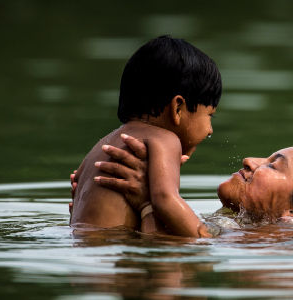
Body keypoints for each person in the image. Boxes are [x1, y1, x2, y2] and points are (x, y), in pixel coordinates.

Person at [69, 35, 222, 238]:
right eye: (209, 115)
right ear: (177, 108)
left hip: (83, 252)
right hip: (117, 255)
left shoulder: (102, 145)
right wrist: (203, 235)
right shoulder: (165, 140)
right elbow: (165, 199)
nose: (210, 129)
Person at [89, 134, 293, 237]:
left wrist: (149, 201)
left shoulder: (277, 240)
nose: (250, 160)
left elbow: (169, 254)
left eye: (273, 165)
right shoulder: (244, 227)